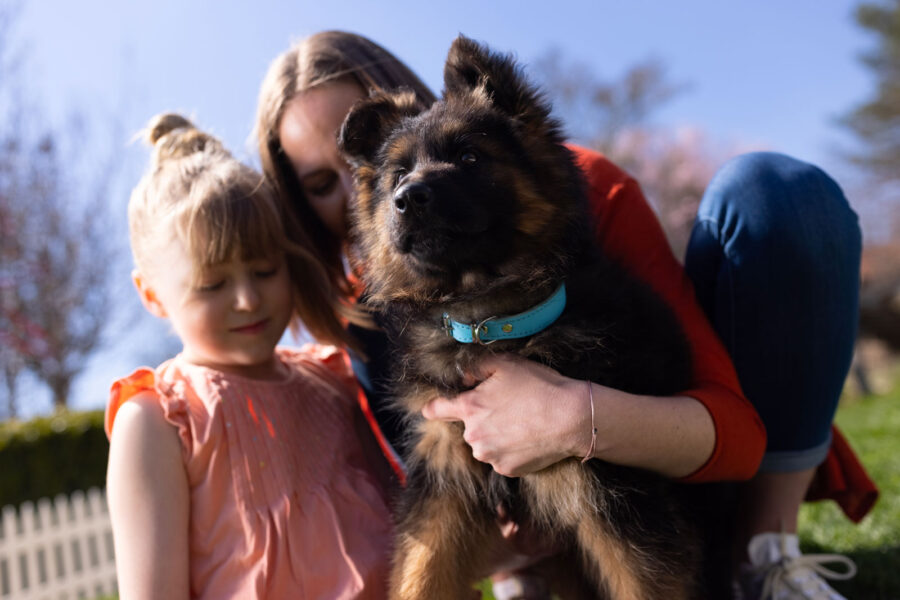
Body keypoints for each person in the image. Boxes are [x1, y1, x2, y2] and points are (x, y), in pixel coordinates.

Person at [255, 31, 878, 600]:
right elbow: (438, 502)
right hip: (549, 550)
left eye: (463, 157)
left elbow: (732, 436)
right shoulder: (370, 304)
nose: (403, 190)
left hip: (693, 459)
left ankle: (765, 553)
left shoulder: (580, 188)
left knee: (776, 191)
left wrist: (575, 417)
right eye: (321, 183)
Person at [105, 113, 395, 599]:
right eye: (213, 284)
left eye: (265, 270)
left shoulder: (336, 377)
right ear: (151, 294)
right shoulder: (160, 420)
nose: (247, 300)